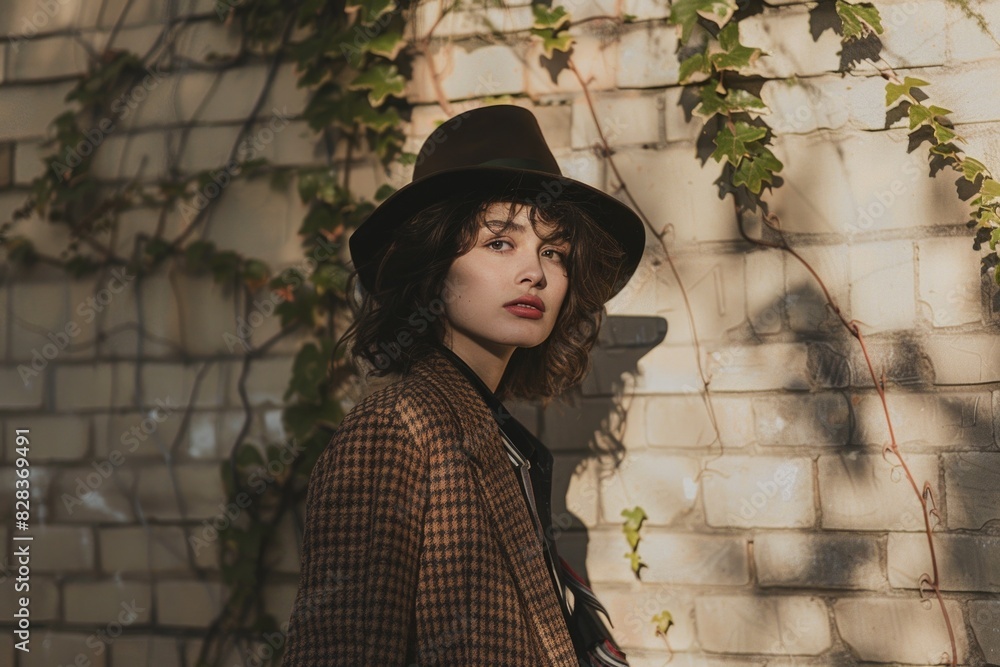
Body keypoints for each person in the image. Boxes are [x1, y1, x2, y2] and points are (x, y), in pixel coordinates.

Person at [282, 104, 645, 666]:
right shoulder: (397, 428)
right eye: (499, 243)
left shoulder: (498, 440)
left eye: (553, 251)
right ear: (433, 265)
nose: (537, 272)